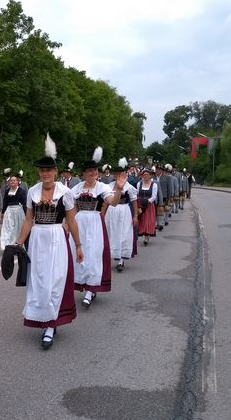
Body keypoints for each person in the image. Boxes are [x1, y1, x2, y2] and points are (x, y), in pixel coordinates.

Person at [14, 134, 83, 350]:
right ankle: (44, 319)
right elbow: (28, 220)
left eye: (49, 170)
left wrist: (79, 245)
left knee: (55, 280)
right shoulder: (32, 192)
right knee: (39, 281)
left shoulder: (65, 193)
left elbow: (71, 220)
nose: (45, 173)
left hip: (56, 238)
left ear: (55, 171)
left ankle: (51, 325)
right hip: (37, 239)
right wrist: (17, 244)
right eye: (42, 170)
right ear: (39, 172)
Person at [70, 147, 123, 309]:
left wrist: (119, 189)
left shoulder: (102, 187)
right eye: (89, 170)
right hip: (79, 222)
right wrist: (66, 226)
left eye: (95, 170)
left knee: (93, 255)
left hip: (94, 222)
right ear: (83, 173)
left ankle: (90, 290)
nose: (93, 173)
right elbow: (70, 209)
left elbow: (113, 202)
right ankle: (83, 284)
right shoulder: (77, 188)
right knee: (79, 253)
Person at [103, 159, 138, 272]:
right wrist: (102, 215)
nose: (117, 175)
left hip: (124, 211)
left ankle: (121, 259)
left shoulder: (129, 187)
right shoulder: (109, 186)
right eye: (116, 173)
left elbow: (134, 201)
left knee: (123, 233)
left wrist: (135, 215)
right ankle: (111, 255)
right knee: (111, 232)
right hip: (112, 211)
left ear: (124, 174)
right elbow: (105, 202)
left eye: (120, 173)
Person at [0, 175, 26, 251]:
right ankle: (7, 245)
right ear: (9, 182)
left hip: (18, 212)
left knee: (18, 229)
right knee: (8, 229)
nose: (13, 182)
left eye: (14, 180)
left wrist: (26, 214)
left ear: (17, 182)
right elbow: (5, 202)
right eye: (11, 180)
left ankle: (17, 245)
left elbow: (24, 202)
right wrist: (3, 212)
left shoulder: (21, 191)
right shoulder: (7, 191)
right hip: (9, 211)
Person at [137, 168, 158, 246]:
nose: (145, 176)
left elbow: (154, 196)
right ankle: (142, 234)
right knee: (141, 221)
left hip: (149, 206)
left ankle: (146, 237)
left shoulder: (154, 184)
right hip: (140, 204)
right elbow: (137, 193)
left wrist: (147, 201)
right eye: (144, 175)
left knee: (148, 221)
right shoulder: (139, 184)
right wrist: (139, 201)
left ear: (150, 176)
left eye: (147, 175)